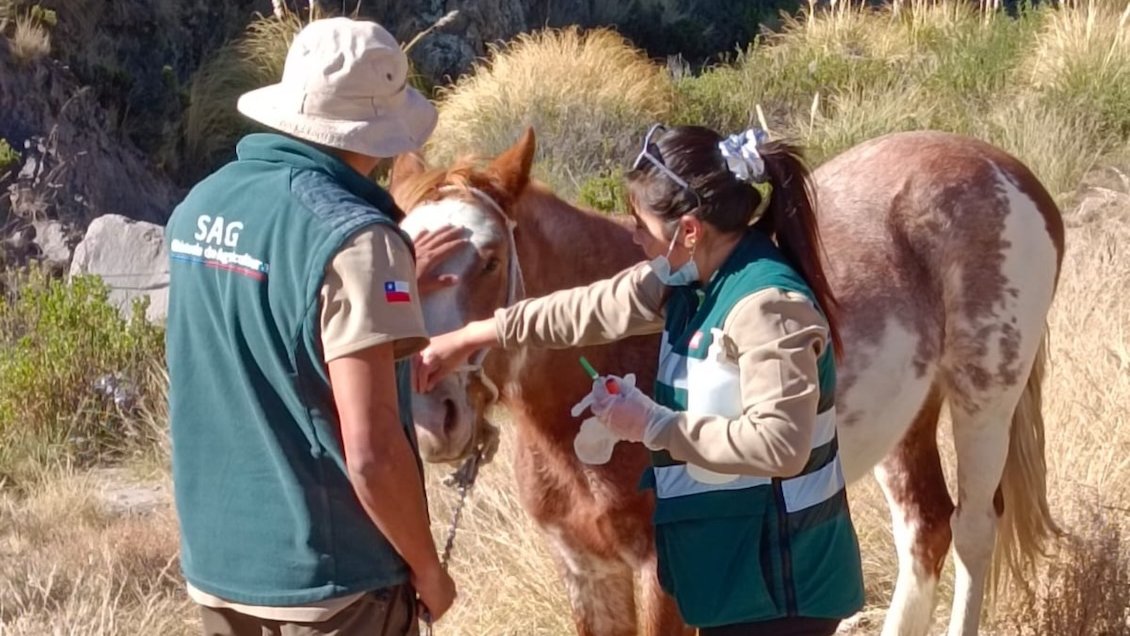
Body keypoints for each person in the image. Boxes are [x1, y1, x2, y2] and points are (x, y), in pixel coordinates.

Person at [415, 124, 865, 635]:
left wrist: (651, 423)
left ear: (690, 231)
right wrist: (477, 334)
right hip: (736, 564)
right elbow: (594, 307)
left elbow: (781, 444)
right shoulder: (688, 276)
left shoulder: (767, 306)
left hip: (784, 584)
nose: (629, 235)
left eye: (640, 223)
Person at [165, 17, 465, 636]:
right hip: (333, 586)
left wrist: (392, 281)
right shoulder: (358, 242)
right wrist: (429, 570)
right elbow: (373, 452)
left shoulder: (199, 206)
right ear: (377, 131)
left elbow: (269, 319)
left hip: (219, 569)